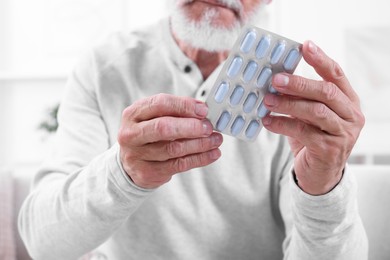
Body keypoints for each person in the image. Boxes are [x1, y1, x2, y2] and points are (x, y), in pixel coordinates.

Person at [18, 0, 368, 259]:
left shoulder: (295, 101)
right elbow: (43, 242)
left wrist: (322, 188)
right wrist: (122, 174)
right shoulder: (103, 68)